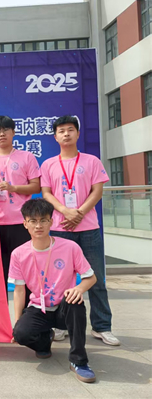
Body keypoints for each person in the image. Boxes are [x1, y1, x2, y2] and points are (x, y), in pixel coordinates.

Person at [40, 115, 119, 346]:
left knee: (96, 278)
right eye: (61, 131)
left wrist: (80, 213)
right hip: (60, 228)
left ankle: (102, 327)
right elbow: (46, 193)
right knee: (60, 279)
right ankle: (60, 324)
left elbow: (97, 191)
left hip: (88, 228)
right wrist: (65, 211)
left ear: (78, 133)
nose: (66, 134)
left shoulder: (92, 161)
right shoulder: (48, 164)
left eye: (70, 129)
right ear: (55, 137)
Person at [10, 198, 97, 383]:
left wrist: (79, 288)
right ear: (25, 224)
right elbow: (19, 290)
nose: (38, 225)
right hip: (38, 309)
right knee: (21, 333)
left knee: (75, 301)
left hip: (64, 308)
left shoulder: (70, 247)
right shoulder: (18, 253)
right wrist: (17, 322)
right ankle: (44, 340)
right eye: (33, 221)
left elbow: (91, 277)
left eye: (43, 220)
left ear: (51, 221)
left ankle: (79, 361)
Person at [0, 116, 41, 304]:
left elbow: (36, 186)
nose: (1, 134)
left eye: (5, 129)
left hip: (21, 223)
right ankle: (0, 316)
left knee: (26, 271)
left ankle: (29, 315)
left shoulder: (26, 157)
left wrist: (13, 188)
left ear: (13, 132)